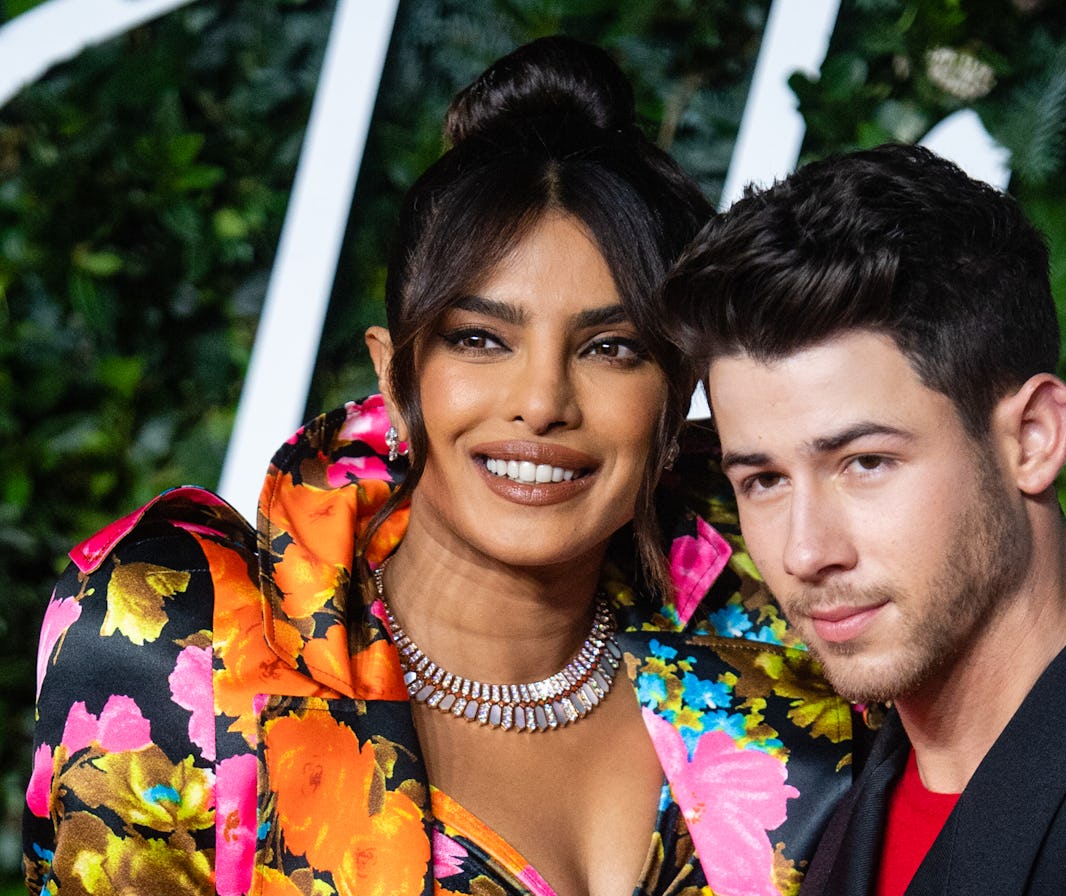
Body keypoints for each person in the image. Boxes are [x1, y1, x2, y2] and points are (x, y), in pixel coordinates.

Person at [24, 37, 863, 896]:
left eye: (612, 348)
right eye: (480, 339)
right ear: (395, 374)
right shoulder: (180, 634)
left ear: (678, 393)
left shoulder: (780, 614)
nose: (542, 401)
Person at [657, 142, 1066, 895]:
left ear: (1032, 438)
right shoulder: (825, 809)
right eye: (764, 479)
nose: (806, 551)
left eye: (865, 463)